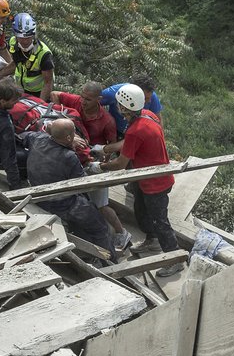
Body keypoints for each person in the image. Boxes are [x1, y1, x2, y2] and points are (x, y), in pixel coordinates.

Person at [99, 83, 183, 277]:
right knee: (141, 211)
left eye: (118, 104)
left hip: (155, 183)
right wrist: (106, 149)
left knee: (160, 221)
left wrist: (101, 166)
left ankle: (175, 258)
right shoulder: (148, 115)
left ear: (123, 107)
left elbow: (121, 164)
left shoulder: (135, 129)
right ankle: (152, 241)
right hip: (146, 176)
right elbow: (129, 144)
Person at [50, 81, 130, 250]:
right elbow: (55, 95)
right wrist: (60, 119)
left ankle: (121, 232)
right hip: (72, 160)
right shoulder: (76, 102)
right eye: (82, 96)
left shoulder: (107, 121)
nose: (83, 102)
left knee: (101, 204)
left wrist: (99, 162)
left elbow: (111, 146)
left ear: (99, 99)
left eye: (88, 99)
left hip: (93, 163)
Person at [23, 118, 115, 259]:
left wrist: (56, 134)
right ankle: (110, 262)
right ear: (68, 137)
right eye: (73, 134)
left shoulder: (37, 139)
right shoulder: (68, 157)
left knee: (81, 223)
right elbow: (81, 185)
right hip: (64, 204)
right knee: (100, 228)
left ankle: (86, 255)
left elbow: (26, 135)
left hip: (40, 199)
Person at [0, 13, 54, 102]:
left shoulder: (44, 54)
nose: (25, 41)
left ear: (33, 34)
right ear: (16, 36)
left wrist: (40, 105)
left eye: (28, 38)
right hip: (20, 90)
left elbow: (48, 83)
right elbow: (15, 64)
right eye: (21, 38)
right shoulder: (13, 42)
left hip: (38, 94)